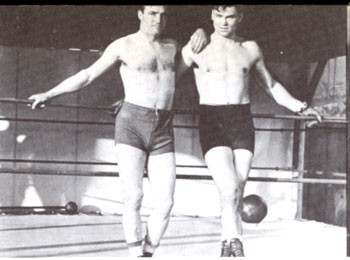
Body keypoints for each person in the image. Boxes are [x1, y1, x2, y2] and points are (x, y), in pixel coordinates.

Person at [28, 5, 207, 257]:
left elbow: (188, 58)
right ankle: (136, 255)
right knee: (133, 196)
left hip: (163, 128)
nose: (159, 19)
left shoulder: (172, 46)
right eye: (153, 13)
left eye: (163, 14)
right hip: (132, 124)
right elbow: (88, 74)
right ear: (140, 14)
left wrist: (202, 31)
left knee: (166, 203)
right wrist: (50, 93)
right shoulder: (123, 45)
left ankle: (147, 252)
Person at [179, 5, 322, 257]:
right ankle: (236, 241)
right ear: (212, 16)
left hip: (242, 121)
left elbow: (271, 85)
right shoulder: (196, 47)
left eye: (230, 16)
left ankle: (226, 244)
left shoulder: (250, 49)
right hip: (213, 121)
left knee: (238, 187)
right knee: (229, 187)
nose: (224, 22)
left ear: (240, 18)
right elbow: (166, 77)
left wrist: (300, 107)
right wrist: (128, 99)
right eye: (219, 16)